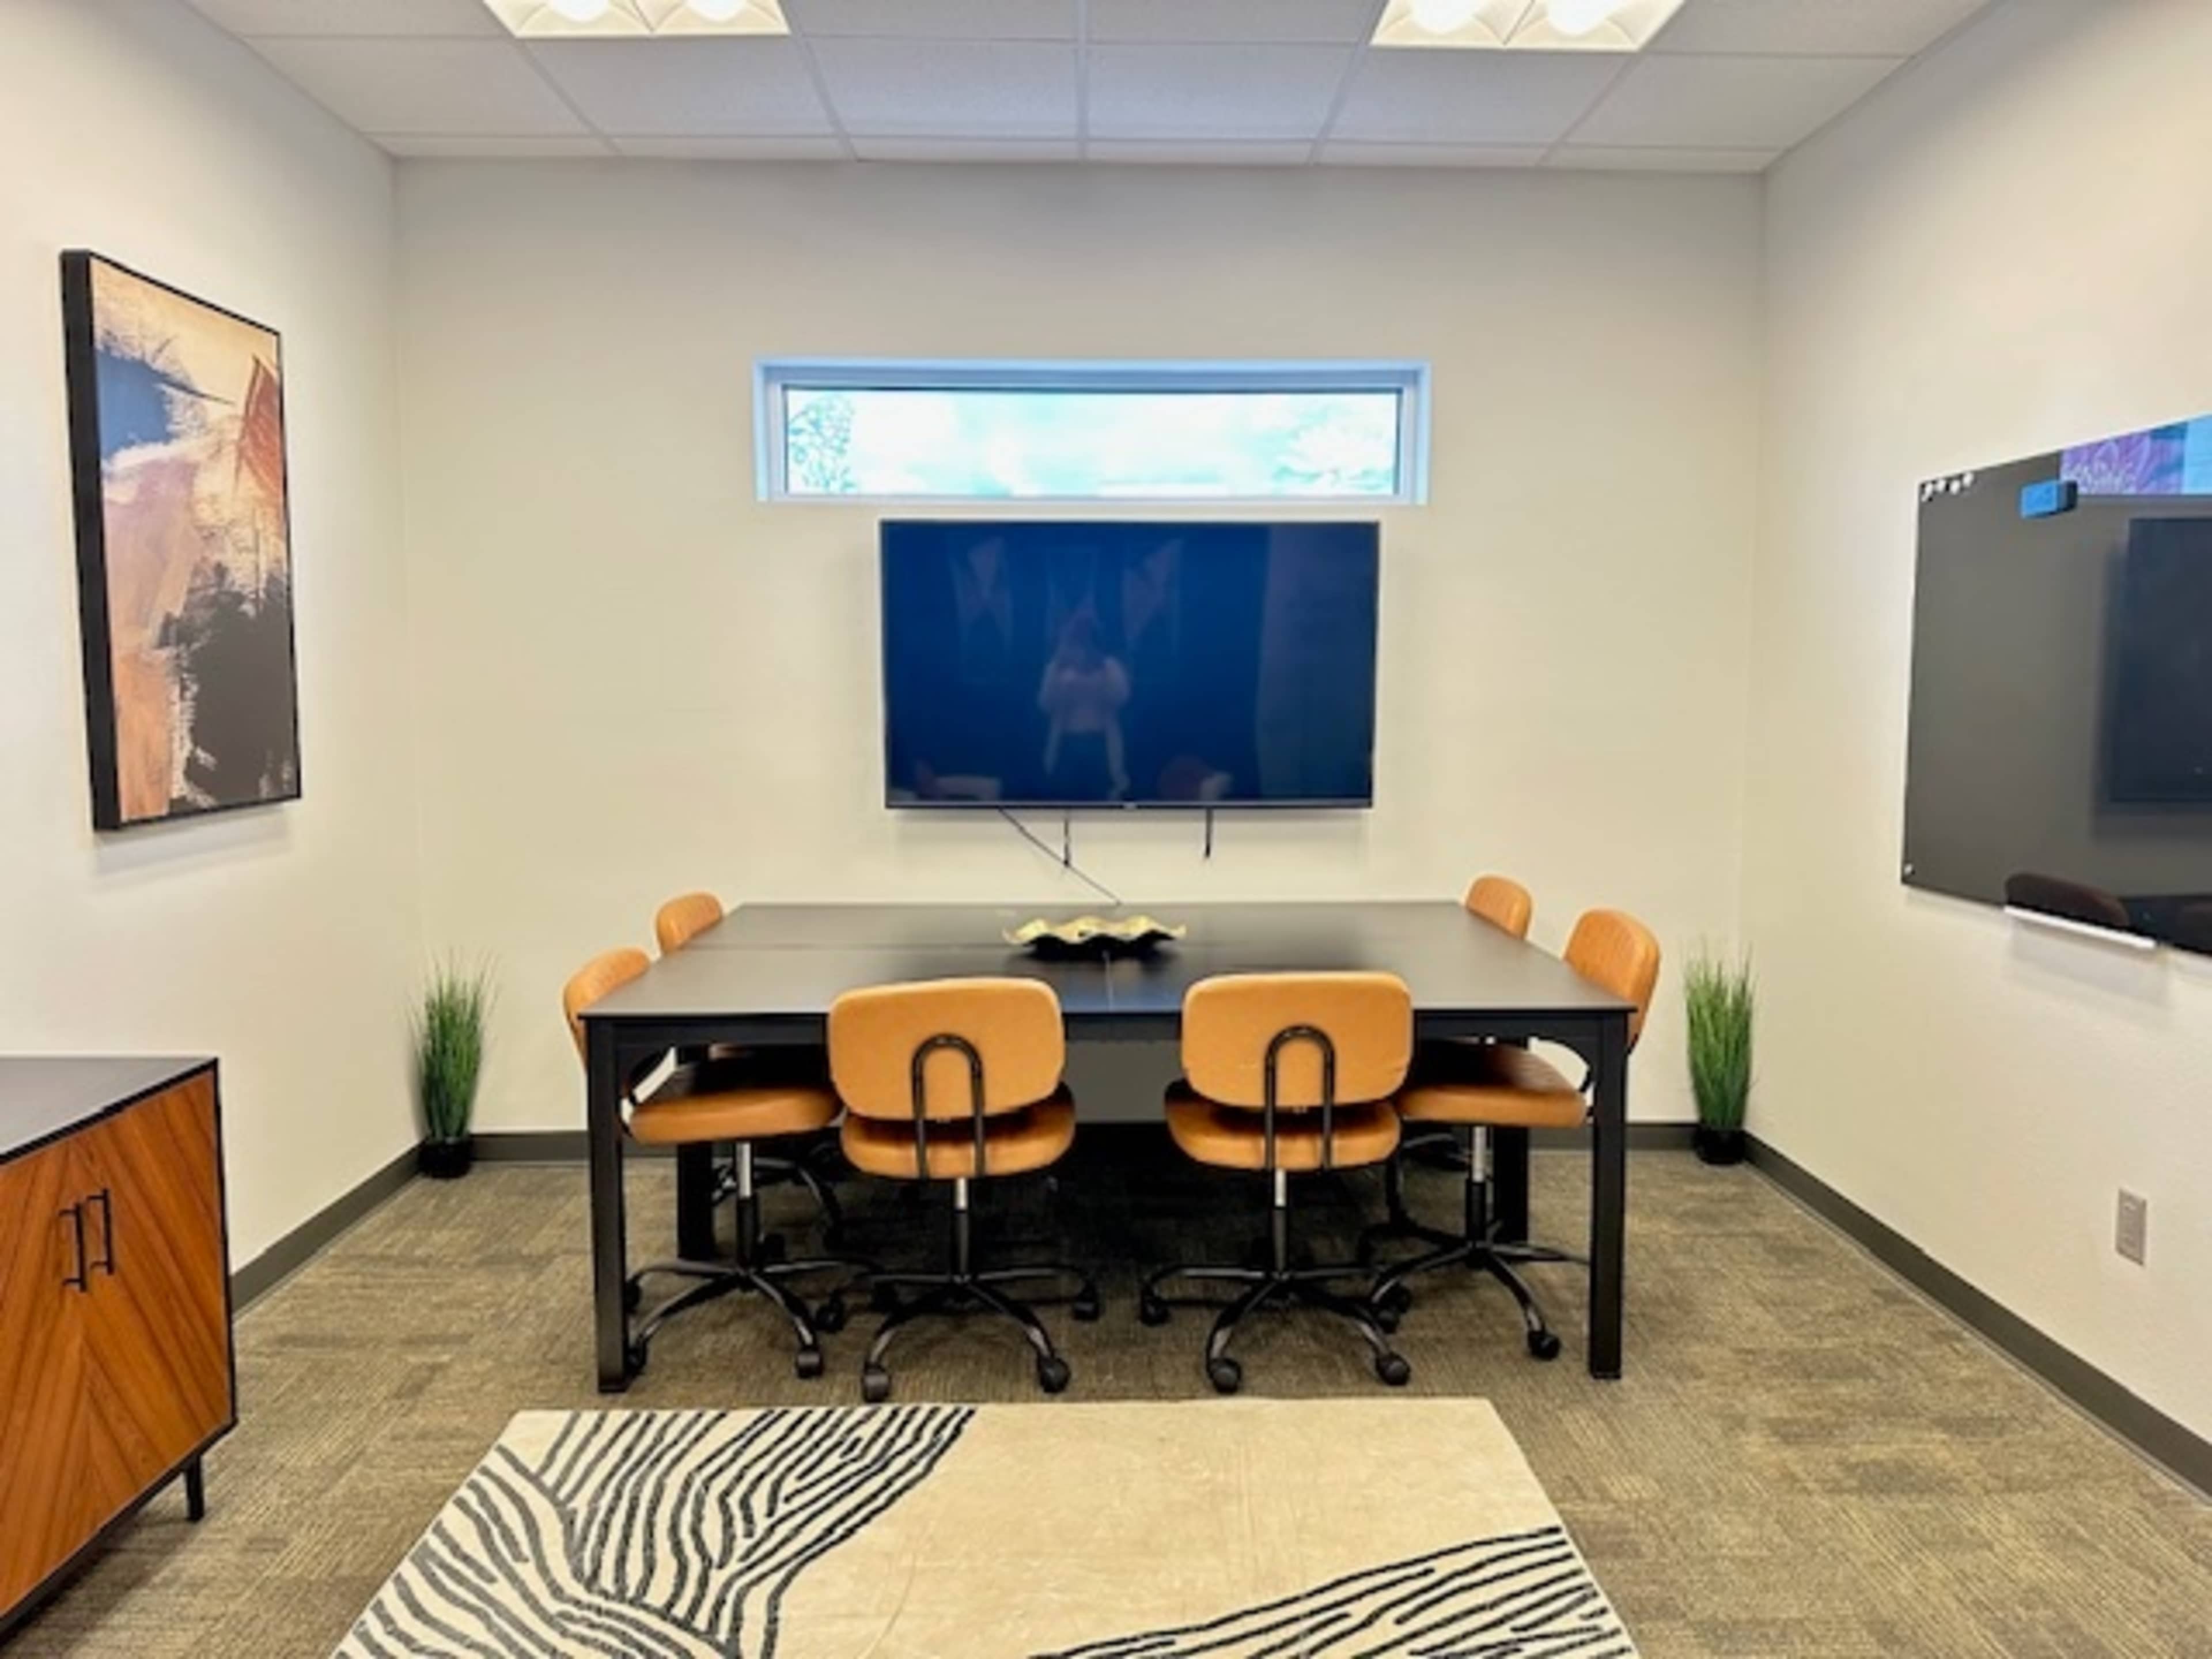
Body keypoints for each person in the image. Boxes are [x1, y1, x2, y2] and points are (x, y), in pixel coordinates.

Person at [1037, 609, 1130, 801]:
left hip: (1099, 743)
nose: (1081, 641)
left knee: (1100, 797)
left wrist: (1101, 668)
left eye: (1086, 635)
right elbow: (1045, 704)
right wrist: (1059, 668)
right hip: (1067, 743)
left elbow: (1121, 698)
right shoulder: (1057, 666)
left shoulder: (1110, 666)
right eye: (1077, 635)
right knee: (1065, 797)